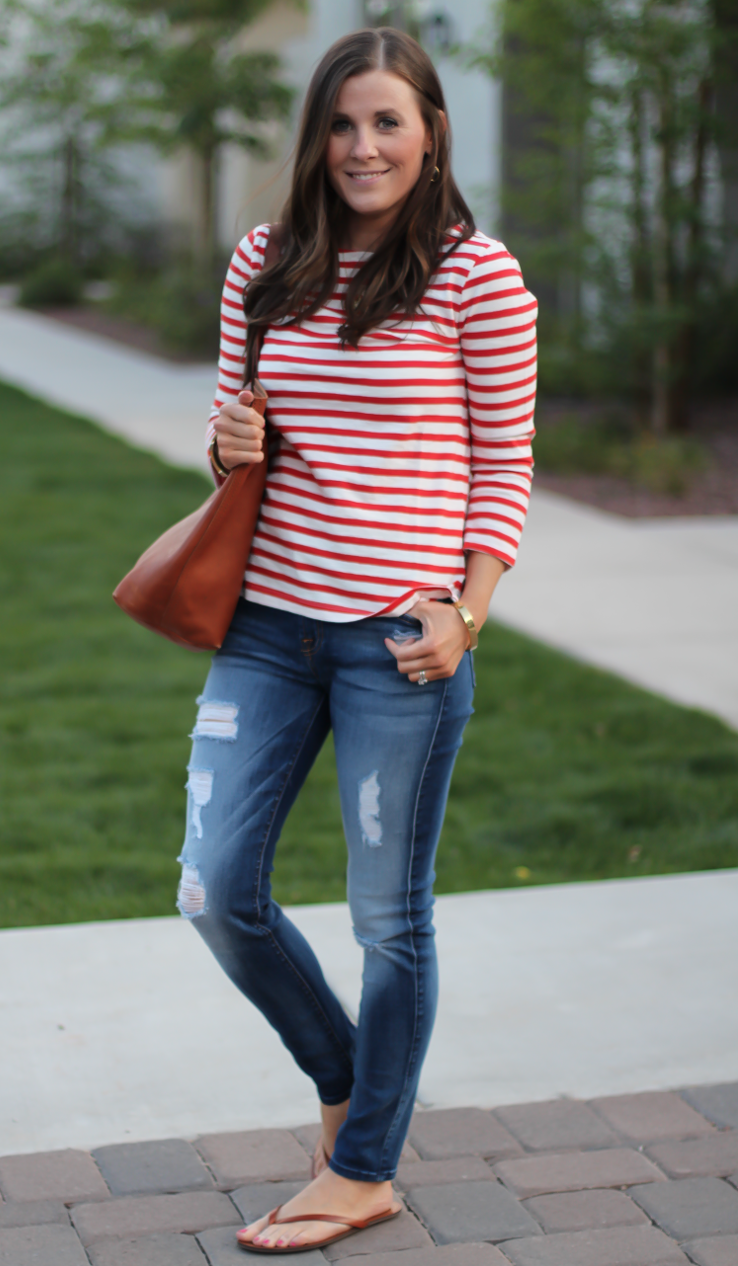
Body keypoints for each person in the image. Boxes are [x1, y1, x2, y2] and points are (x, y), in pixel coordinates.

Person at [178, 25, 537, 1256]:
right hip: (269, 628)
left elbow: (504, 466)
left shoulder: (476, 276)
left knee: (390, 917)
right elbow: (234, 439)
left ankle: (365, 1166)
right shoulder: (265, 261)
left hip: (400, 645)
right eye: (342, 124)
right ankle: (352, 1088)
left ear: (431, 131)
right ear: (315, 138)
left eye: (388, 121)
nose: (363, 146)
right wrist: (227, 445)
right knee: (215, 890)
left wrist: (467, 606)